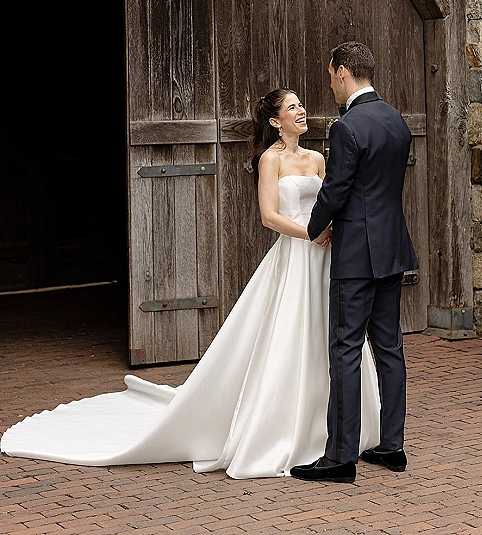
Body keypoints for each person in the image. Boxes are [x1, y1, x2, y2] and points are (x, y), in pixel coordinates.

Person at [1, 88, 380, 479]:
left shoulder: (318, 159)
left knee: (336, 338)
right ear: (274, 121)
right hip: (297, 255)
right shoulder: (270, 160)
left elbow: (334, 200)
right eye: (292, 107)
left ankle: (340, 430)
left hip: (325, 260)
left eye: (301, 105)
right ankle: (287, 429)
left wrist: (331, 229)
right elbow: (269, 217)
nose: (301, 111)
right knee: (292, 337)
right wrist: (310, 233)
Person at [290, 42, 418, 484]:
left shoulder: (347, 127)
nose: (330, 84)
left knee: (344, 348)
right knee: (389, 347)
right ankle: (393, 445)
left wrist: (312, 227)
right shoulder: (396, 120)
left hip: (356, 254)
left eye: (330, 76)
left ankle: (340, 457)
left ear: (343, 72)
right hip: (391, 248)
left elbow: (337, 189)